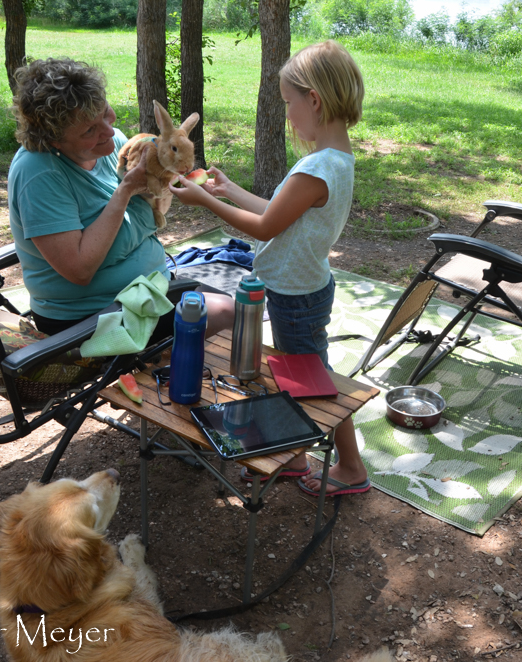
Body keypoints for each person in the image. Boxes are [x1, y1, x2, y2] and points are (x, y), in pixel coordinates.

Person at [170, 40, 367, 497]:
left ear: (313, 99)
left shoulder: (316, 167)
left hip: (296, 296)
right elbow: (278, 213)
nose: (287, 114)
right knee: (298, 375)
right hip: (301, 286)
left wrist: (203, 200)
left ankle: (352, 469)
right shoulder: (335, 162)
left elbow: (264, 227)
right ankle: (296, 456)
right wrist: (228, 190)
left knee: (314, 383)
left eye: (287, 103)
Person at [7, 57, 233, 341]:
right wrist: (126, 190)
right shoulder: (38, 174)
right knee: (227, 310)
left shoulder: (116, 146)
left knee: (234, 306)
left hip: (149, 289)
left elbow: (149, 215)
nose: (109, 131)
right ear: (54, 140)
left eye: (105, 112)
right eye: (90, 129)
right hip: (90, 316)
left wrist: (161, 180)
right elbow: (79, 270)